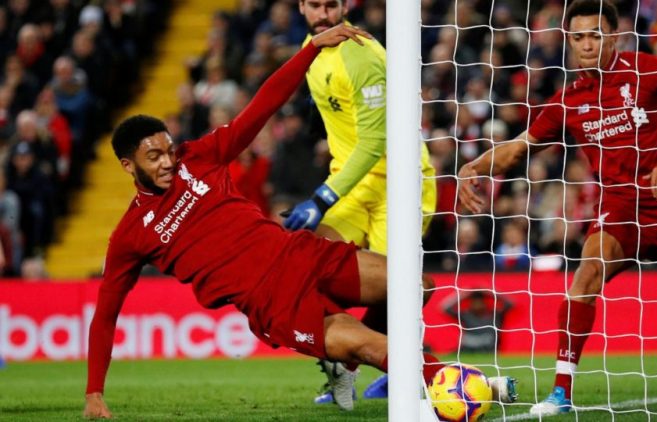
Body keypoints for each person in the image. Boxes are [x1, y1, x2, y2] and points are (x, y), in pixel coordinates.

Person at [83, 24, 516, 418]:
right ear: (128, 165)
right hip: (273, 302)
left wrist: (310, 50)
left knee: (417, 285)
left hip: (300, 254)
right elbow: (105, 313)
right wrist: (94, 392)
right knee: (373, 345)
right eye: (153, 157)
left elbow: (262, 106)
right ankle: (466, 386)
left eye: (168, 150)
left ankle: (344, 363)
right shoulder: (131, 235)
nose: (167, 162)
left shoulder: (198, 158)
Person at [457, 0, 657, 417]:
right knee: (586, 274)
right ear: (569, 41)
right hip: (621, 210)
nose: (587, 44)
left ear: (614, 36)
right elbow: (517, 149)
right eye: (579, 37)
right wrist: (473, 166)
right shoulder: (569, 100)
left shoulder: (648, 70)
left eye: (596, 35)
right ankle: (560, 393)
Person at [285, 0, 438, 403]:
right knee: (307, 263)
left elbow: (372, 143)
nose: (323, 15)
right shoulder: (312, 50)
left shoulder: (360, 56)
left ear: (346, 5)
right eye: (314, 5)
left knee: (397, 289)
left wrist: (321, 199)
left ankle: (383, 367)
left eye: (331, 5)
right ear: (301, 6)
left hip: (400, 184)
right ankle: (345, 360)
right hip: (352, 184)